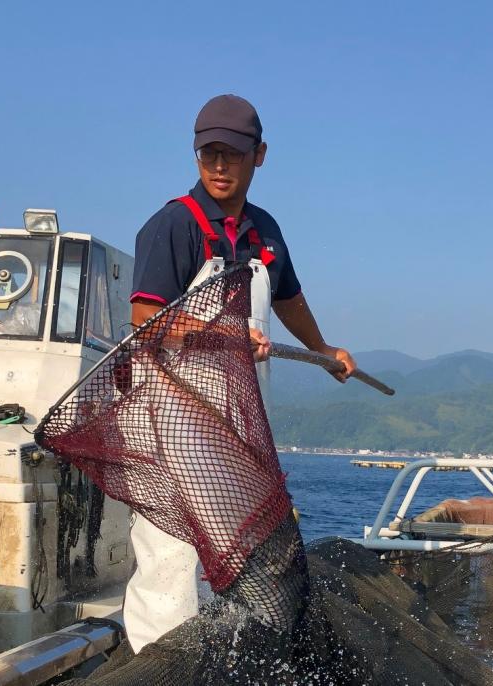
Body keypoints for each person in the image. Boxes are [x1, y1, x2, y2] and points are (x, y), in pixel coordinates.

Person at [124, 94, 357, 652]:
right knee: (172, 552)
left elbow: (288, 297)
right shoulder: (173, 225)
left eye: (232, 154)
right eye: (209, 154)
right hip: (174, 422)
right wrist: (222, 335)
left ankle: (219, 657)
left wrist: (325, 351)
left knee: (236, 548)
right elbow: (145, 322)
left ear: (261, 156)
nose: (220, 166)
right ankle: (159, 662)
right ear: (196, 155)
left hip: (240, 424)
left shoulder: (265, 230)